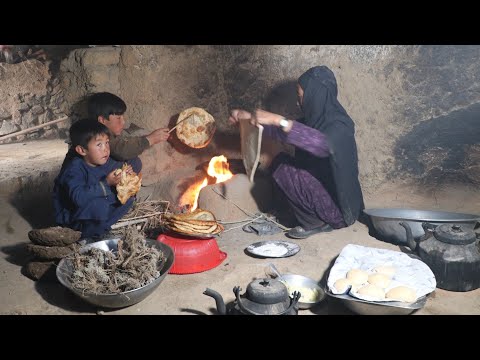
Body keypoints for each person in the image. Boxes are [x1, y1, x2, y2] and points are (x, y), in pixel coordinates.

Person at [229, 65, 365, 239]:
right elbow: (282, 132)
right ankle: (308, 214)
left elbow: (320, 144)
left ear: (316, 96)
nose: (298, 102)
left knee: (284, 168)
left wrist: (279, 119)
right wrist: (247, 119)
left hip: (339, 212)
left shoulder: (341, 125)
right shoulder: (312, 121)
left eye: (301, 96)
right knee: (280, 161)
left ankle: (317, 222)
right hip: (323, 194)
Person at [53, 119, 140, 239]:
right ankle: (85, 237)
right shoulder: (74, 169)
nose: (106, 149)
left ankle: (101, 227)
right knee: (99, 205)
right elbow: (78, 197)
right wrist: (107, 183)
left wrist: (125, 175)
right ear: (82, 150)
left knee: (129, 199)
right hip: (72, 217)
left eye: (107, 143)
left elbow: (119, 169)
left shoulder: (100, 159)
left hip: (93, 206)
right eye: (99, 144)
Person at [60, 92, 170, 172]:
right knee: (131, 163)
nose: (123, 121)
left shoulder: (100, 130)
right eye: (118, 118)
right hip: (86, 180)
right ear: (102, 120)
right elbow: (120, 150)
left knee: (134, 162)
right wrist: (150, 139)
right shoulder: (95, 135)